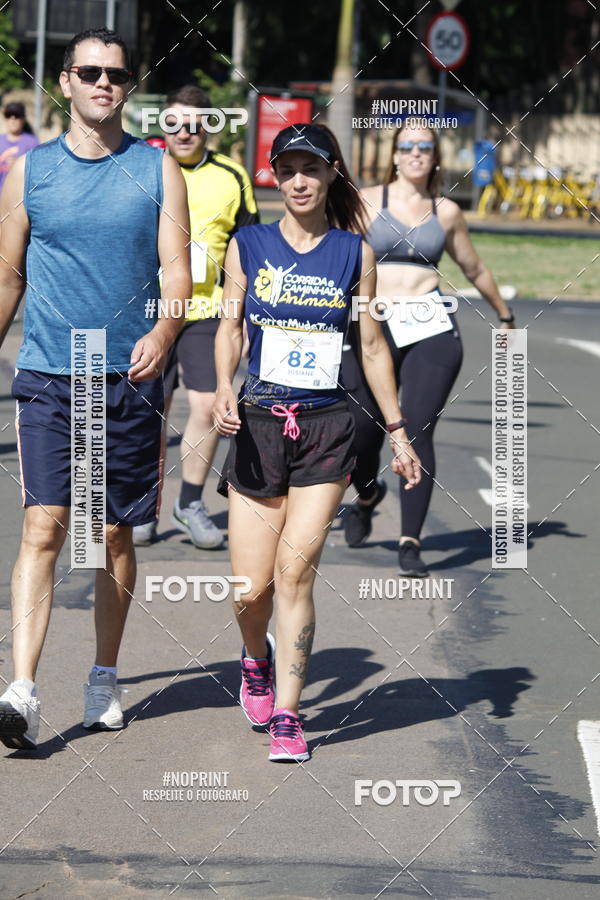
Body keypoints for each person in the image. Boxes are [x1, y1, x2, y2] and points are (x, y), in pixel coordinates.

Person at [0, 28, 191, 751]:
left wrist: (166, 333)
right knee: (44, 524)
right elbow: (8, 276)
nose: (103, 83)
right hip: (51, 372)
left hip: (129, 377)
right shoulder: (31, 174)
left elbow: (180, 276)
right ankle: (22, 689)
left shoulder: (157, 170)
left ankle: (104, 676)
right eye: (89, 71)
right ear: (65, 81)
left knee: (112, 532)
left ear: (127, 85)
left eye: (115, 73)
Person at [212, 123, 421, 762]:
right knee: (249, 588)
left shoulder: (355, 253)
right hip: (256, 427)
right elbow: (229, 325)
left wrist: (398, 431)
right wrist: (223, 385)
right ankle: (255, 660)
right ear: (274, 174)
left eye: (312, 169)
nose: (299, 180)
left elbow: (374, 344)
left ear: (332, 174)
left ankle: (288, 714)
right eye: (288, 168)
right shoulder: (247, 245)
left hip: (327, 430)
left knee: (294, 573)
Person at [341, 122, 515, 576]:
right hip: (372, 324)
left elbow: (474, 268)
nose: (416, 153)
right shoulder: (365, 200)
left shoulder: (448, 211)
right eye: (407, 146)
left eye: (424, 146)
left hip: (430, 326)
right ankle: (366, 496)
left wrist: (505, 315)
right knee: (362, 426)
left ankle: (409, 541)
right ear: (394, 155)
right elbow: (334, 253)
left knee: (417, 428)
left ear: (435, 158)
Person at [133, 84, 259, 549]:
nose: (183, 132)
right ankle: (141, 506)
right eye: (174, 123)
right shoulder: (141, 168)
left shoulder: (232, 176)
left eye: (194, 123)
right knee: (147, 411)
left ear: (210, 126)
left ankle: (189, 502)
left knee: (207, 406)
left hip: (207, 310)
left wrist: (242, 316)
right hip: (150, 310)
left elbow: (246, 252)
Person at [0, 101, 38, 194]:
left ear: (23, 119)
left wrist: (20, 166)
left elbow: (39, 173)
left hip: (21, 198)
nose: (12, 119)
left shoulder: (32, 142)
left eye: (17, 115)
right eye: (8, 115)